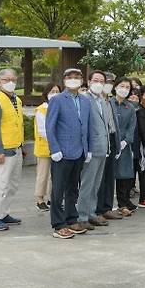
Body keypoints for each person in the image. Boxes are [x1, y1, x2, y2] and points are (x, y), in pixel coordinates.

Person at [46, 68, 91, 239]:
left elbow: (87, 127)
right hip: (62, 152)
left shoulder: (85, 101)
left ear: (81, 80)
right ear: (64, 80)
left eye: (77, 77)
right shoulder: (57, 100)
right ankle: (58, 224)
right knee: (58, 190)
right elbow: (50, 127)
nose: (73, 80)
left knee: (73, 188)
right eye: (70, 77)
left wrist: (89, 149)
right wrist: (54, 149)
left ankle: (72, 219)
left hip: (79, 151)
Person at [0, 69, 26, 231]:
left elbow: (18, 124)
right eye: (6, 79)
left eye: (13, 79)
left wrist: (21, 146)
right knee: (0, 184)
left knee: (13, 184)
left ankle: (3, 213)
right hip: (4, 151)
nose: (10, 82)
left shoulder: (16, 99)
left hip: (17, 148)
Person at [75, 71, 114, 230]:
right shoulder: (84, 99)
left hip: (103, 147)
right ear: (89, 82)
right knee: (87, 184)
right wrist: (87, 148)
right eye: (95, 80)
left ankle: (91, 213)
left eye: (101, 81)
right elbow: (83, 126)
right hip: (91, 149)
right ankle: (82, 216)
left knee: (96, 184)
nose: (99, 83)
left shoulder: (103, 100)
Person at [96, 72, 124, 221]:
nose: (108, 84)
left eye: (111, 82)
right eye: (106, 81)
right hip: (101, 141)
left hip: (112, 139)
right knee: (99, 177)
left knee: (109, 175)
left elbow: (115, 124)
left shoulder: (111, 100)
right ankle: (98, 209)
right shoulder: (94, 100)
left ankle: (107, 207)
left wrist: (118, 144)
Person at [34, 82, 61, 212]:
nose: (55, 94)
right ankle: (40, 199)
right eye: (52, 91)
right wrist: (55, 141)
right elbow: (43, 130)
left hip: (58, 148)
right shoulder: (41, 109)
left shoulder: (60, 107)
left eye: (57, 91)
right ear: (46, 94)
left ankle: (52, 197)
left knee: (55, 175)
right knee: (43, 174)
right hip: (45, 146)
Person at [112, 77, 138, 216]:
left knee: (125, 175)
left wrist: (125, 141)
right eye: (122, 86)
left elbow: (131, 127)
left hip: (124, 145)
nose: (124, 89)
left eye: (127, 87)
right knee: (109, 175)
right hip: (110, 144)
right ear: (115, 87)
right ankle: (105, 206)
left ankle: (123, 203)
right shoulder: (109, 103)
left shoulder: (130, 107)